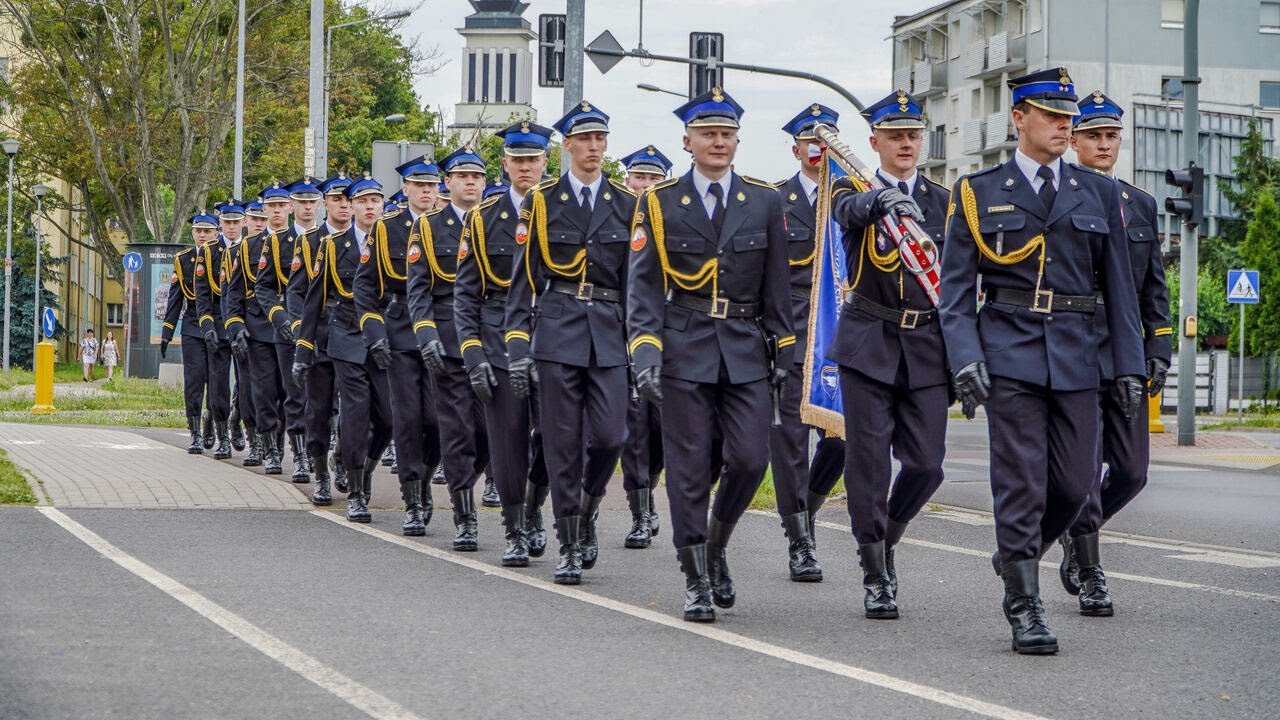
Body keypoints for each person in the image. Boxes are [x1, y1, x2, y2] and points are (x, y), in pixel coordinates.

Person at [939, 68, 1145, 654]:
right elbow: (955, 294)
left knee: (1078, 486)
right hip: (1009, 351)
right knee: (1021, 482)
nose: (1064, 125)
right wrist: (965, 359)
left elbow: (1121, 292)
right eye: (1052, 116)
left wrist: (1129, 366)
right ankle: (1025, 603)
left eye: (1067, 117)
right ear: (1019, 118)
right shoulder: (978, 192)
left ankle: (1014, 555)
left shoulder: (1099, 192)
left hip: (1080, 356)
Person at [627, 88, 793, 622]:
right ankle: (695, 574)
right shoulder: (660, 201)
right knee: (688, 466)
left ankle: (716, 544)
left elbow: (777, 288)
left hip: (745, 347)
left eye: (726, 134)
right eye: (708, 134)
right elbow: (644, 286)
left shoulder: (765, 201)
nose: (718, 142)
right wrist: (646, 353)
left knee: (750, 459)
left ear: (737, 141)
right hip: (684, 344)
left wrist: (786, 351)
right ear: (688, 142)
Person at [824, 91, 952, 619]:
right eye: (895, 135)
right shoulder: (851, 189)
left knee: (926, 466)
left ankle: (888, 539)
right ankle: (875, 569)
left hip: (926, 346)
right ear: (874, 142)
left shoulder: (945, 201)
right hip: (869, 344)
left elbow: (960, 281)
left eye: (913, 135)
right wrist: (879, 202)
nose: (905, 143)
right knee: (869, 465)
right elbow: (844, 212)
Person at [505, 103, 636, 584]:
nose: (595, 148)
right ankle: (569, 540)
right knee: (560, 444)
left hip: (608, 332)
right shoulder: (540, 203)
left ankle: (589, 506)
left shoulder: (627, 204)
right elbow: (523, 283)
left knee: (609, 438)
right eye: (585, 140)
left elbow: (635, 284)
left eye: (601, 139)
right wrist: (518, 346)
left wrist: (642, 343)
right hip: (557, 330)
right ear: (567, 146)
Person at [1060, 91, 1173, 617]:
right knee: (1081, 472)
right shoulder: (1059, 196)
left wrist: (1160, 347)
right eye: (1093, 136)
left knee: (1131, 471)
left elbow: (1153, 288)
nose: (1104, 144)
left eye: (1111, 136)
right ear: (1074, 139)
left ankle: (1074, 529)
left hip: (1126, 354)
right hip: (1075, 352)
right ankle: (1089, 569)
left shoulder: (1140, 204)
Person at [455, 122, 554, 565]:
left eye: (533, 159)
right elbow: (465, 293)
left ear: (546, 163)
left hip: (555, 337)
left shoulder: (562, 210)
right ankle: (515, 528)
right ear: (506, 165)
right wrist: (472, 353)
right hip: (497, 342)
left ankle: (534, 506)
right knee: (508, 439)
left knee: (557, 438)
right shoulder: (483, 219)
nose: (526, 167)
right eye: (518, 160)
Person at [768, 104, 848, 584]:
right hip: (793, 334)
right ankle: (799, 539)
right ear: (796, 149)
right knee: (790, 443)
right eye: (811, 142)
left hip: (843, 337)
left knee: (842, 441)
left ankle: (808, 511)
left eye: (828, 141)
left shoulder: (856, 198)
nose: (819, 150)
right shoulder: (774, 201)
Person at [354, 155, 444, 536]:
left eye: (431, 185)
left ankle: (425, 479)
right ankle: (413, 498)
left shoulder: (450, 225)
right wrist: (375, 334)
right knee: (406, 420)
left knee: (439, 420)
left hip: (442, 332)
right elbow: (365, 286)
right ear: (405, 189)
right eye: (418, 185)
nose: (426, 191)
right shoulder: (387, 228)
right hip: (401, 331)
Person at [296, 173, 393, 522]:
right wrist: (303, 348)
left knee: (388, 417)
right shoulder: (334, 246)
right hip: (346, 337)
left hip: (385, 339)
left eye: (375, 201)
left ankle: (364, 466)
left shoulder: (394, 240)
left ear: (383, 205)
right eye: (363, 202)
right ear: (351, 207)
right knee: (352, 413)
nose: (370, 207)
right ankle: (354, 490)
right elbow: (313, 299)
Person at [407, 147, 491, 551]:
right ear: (449, 183)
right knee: (455, 430)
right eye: (462, 176)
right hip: (447, 339)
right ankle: (465, 515)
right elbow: (419, 289)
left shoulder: (499, 221)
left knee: (491, 433)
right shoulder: (427, 227)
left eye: (477, 176)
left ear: (486, 183)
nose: (470, 182)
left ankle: (456, 481)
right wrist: (426, 335)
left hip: (491, 339)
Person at [617, 145, 675, 549]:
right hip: (619, 336)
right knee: (633, 429)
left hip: (670, 337)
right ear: (628, 181)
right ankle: (640, 512)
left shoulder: (673, 217)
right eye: (641, 178)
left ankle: (649, 485)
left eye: (655, 179)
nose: (647, 185)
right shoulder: (616, 217)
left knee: (660, 429)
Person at [289, 175, 350, 506]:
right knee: (319, 408)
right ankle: (321, 476)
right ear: (325, 203)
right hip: (321, 336)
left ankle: (342, 456)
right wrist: (303, 334)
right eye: (336, 198)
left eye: (346, 198)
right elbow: (298, 291)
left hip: (354, 336)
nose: (342, 204)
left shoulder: (367, 240)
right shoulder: (311, 241)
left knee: (356, 409)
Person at [255, 179, 317, 484]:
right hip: (285, 329)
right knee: (289, 393)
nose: (306, 207)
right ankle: (297, 455)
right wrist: (281, 320)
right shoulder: (277, 242)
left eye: (311, 201)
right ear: (293, 206)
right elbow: (264, 288)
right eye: (301, 202)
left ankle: (322, 450)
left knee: (321, 396)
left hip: (320, 327)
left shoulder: (327, 239)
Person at [162, 212, 219, 454]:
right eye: (199, 231)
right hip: (193, 326)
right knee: (194, 381)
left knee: (217, 382)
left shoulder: (223, 255)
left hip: (219, 325)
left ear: (216, 233)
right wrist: (167, 331)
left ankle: (211, 422)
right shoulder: (183, 260)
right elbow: (175, 298)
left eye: (208, 231)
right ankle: (194, 431)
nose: (203, 235)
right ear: (193, 233)